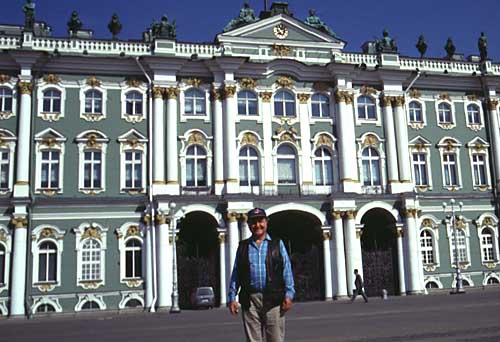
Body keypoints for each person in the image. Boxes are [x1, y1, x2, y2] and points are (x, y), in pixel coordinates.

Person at [228, 207, 295, 342]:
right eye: (253, 222)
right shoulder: (243, 246)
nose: (257, 225)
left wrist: (289, 294)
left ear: (266, 222)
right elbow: (236, 273)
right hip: (250, 299)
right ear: (249, 225)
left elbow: (286, 270)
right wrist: (232, 297)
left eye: (260, 221)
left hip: (274, 299)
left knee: (275, 338)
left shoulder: (277, 244)